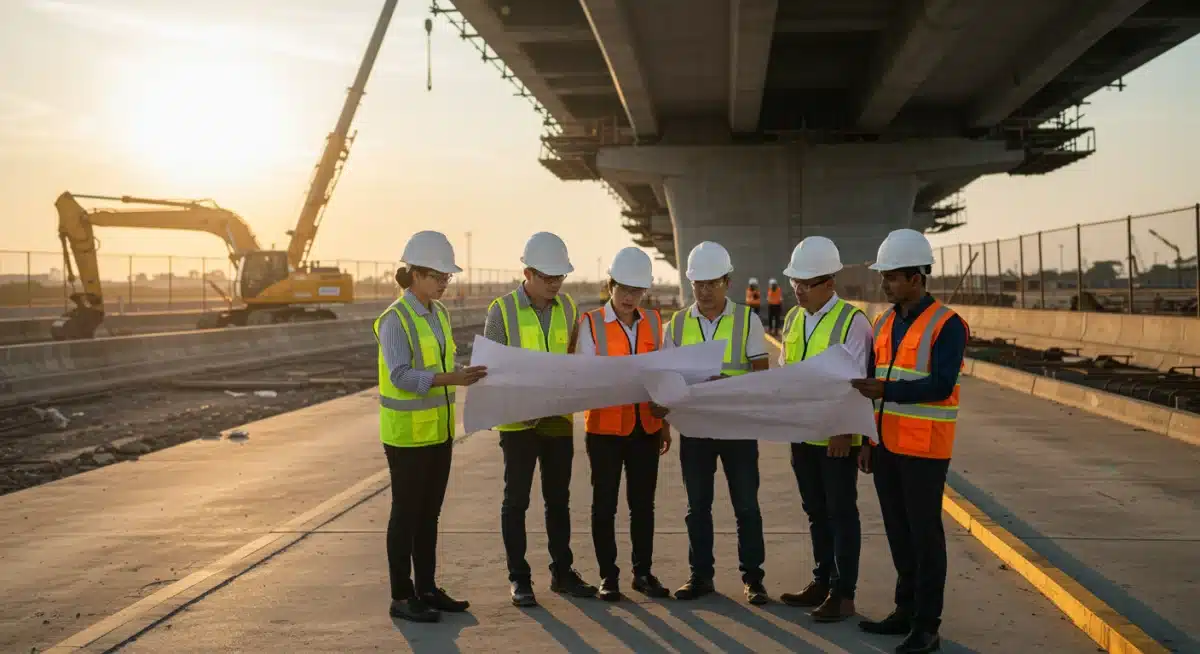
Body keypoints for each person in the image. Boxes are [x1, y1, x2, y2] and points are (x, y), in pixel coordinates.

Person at [850, 228, 969, 654]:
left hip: (925, 449)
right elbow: (875, 382)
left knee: (925, 537)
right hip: (886, 447)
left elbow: (940, 384)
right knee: (899, 534)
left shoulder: (948, 325)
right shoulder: (884, 322)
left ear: (916, 278)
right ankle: (904, 610)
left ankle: (927, 626)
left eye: (892, 277)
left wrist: (888, 393)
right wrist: (867, 440)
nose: (885, 284)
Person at [374, 231, 488, 623]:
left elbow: (440, 365)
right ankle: (401, 596)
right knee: (405, 515)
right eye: (439, 276)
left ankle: (426, 588)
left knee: (429, 515)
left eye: (447, 277)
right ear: (416, 274)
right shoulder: (395, 320)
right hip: (406, 437)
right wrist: (451, 379)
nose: (444, 282)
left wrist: (459, 376)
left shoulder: (439, 314)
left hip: (438, 433)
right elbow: (402, 375)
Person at [483, 231, 598, 607]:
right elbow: (492, 369)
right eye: (548, 278)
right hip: (518, 422)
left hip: (557, 419)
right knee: (515, 500)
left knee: (558, 500)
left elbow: (574, 357)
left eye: (559, 277)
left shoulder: (568, 307)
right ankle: (519, 578)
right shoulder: (501, 311)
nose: (555, 284)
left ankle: (562, 572)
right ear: (528, 272)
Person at [658, 241, 771, 604]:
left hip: (737, 428)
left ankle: (753, 579)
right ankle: (700, 577)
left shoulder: (746, 320)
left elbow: (760, 376)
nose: (704, 291)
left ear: (727, 282)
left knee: (746, 508)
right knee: (697, 508)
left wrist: (729, 386)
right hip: (696, 430)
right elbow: (665, 377)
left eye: (712, 283)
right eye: (698, 284)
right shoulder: (677, 323)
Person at [776, 237, 872, 623]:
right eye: (794, 281)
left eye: (805, 282)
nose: (797, 288)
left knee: (841, 513)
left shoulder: (852, 321)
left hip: (836, 438)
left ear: (829, 284)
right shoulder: (794, 319)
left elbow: (859, 381)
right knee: (815, 511)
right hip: (802, 434)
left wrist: (844, 431)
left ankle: (843, 592)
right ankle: (821, 580)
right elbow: (787, 372)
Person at [573, 247, 673, 602]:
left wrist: (665, 424)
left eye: (637, 290)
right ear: (610, 285)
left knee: (643, 504)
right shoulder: (591, 324)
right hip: (604, 431)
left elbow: (663, 374)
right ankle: (608, 576)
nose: (630, 297)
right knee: (604, 505)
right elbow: (585, 374)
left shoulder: (655, 322)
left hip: (644, 427)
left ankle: (642, 573)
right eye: (624, 288)